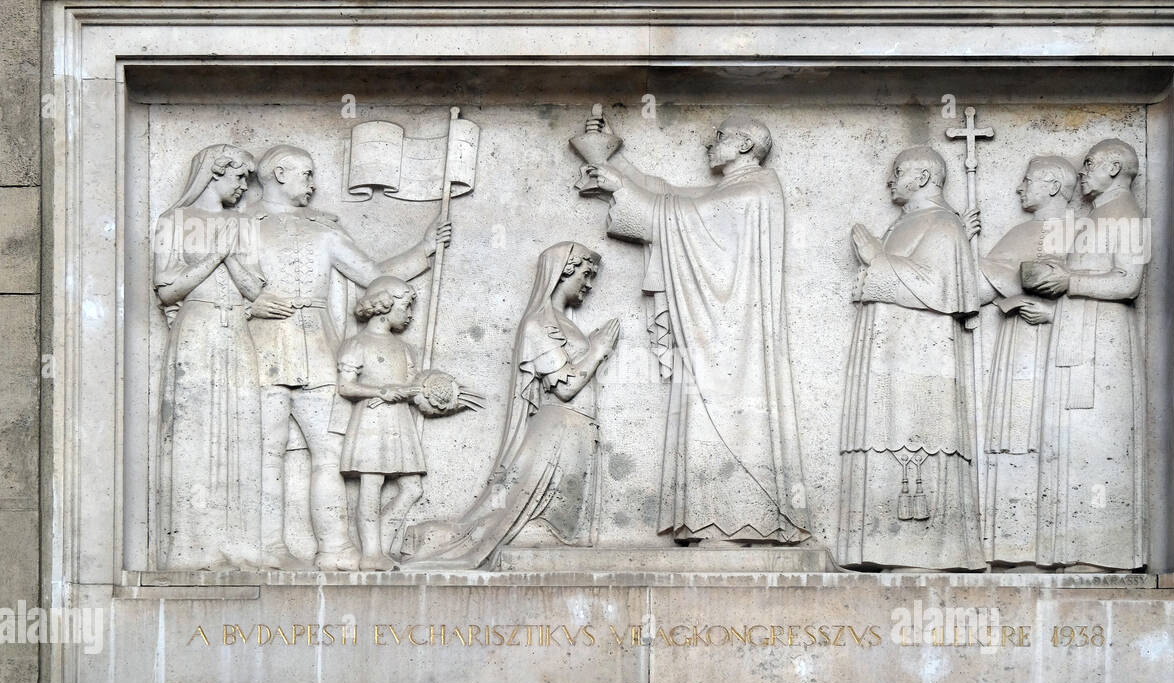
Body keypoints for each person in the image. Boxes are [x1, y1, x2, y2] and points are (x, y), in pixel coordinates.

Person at [579, 115, 810, 546]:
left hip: (731, 338)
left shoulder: (755, 189)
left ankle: (739, 522)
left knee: (727, 417)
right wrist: (618, 166)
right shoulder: (731, 189)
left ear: (745, 145)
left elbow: (680, 216)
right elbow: (674, 198)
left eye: (720, 136)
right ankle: (711, 521)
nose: (710, 142)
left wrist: (620, 188)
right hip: (713, 331)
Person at [243, 144, 450, 570]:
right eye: (307, 174)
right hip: (260, 346)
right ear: (279, 173)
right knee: (266, 450)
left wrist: (424, 250)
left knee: (330, 455)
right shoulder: (240, 225)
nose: (314, 184)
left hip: (319, 348)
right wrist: (249, 307)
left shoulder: (324, 229)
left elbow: (373, 278)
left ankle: (335, 548)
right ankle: (268, 548)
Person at [404, 243, 618, 567]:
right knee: (529, 527)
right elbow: (567, 386)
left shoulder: (565, 324)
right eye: (586, 275)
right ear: (564, 272)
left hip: (579, 431)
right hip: (558, 434)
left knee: (563, 533)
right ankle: (432, 540)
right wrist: (599, 348)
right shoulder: (538, 324)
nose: (589, 285)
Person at [837, 146, 985, 570]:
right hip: (887, 355)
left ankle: (923, 555)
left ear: (922, 178)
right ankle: (880, 550)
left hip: (920, 363)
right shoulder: (906, 224)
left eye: (898, 172)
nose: (890, 180)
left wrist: (876, 259)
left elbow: (939, 290)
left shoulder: (942, 225)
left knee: (916, 437)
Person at [1020, 138, 1147, 569]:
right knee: (1074, 443)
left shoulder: (1125, 213)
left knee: (1098, 443)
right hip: (1080, 338)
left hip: (1103, 350)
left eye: (1090, 163)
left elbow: (1128, 282)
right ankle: (1074, 552)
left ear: (1114, 167)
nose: (1083, 170)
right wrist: (1053, 311)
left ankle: (1101, 554)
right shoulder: (1098, 215)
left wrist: (1068, 281)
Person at [153, 144, 265, 570]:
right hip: (196, 330)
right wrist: (215, 257)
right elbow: (167, 290)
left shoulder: (243, 225)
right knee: (193, 433)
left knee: (241, 428)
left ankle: (238, 544)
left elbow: (256, 289)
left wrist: (231, 256)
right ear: (216, 173)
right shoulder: (174, 222)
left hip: (236, 329)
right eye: (238, 178)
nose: (243, 187)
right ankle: (190, 545)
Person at [966, 155, 1080, 563]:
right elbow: (975, 289)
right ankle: (1015, 548)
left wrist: (1055, 313)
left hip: (1059, 353)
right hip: (1019, 347)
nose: (1019, 188)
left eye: (1028, 180)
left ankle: (1053, 552)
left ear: (1052, 185)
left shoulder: (1083, 233)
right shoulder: (1021, 232)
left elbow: (1104, 295)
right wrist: (961, 245)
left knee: (1047, 443)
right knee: (1015, 439)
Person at [336, 277, 428, 571]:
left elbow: (415, 387)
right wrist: (380, 391)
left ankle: (382, 541)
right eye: (406, 306)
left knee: (413, 488)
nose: (411, 314)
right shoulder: (356, 344)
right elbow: (345, 387)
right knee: (371, 485)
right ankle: (371, 553)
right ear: (386, 305)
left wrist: (436, 393)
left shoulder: (405, 349)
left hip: (399, 421)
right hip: (372, 419)